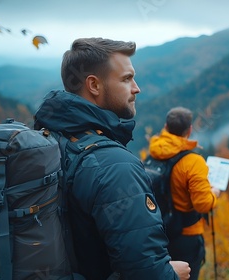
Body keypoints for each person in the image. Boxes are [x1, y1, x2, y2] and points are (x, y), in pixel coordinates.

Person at [34, 38, 190, 280]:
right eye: (127, 79)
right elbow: (145, 273)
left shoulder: (48, 139)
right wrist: (170, 274)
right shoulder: (116, 166)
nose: (136, 88)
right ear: (94, 85)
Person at [148, 107, 221, 280]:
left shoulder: (154, 151)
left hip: (158, 230)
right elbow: (202, 204)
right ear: (189, 130)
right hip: (186, 235)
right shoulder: (193, 161)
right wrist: (215, 193)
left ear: (166, 127)